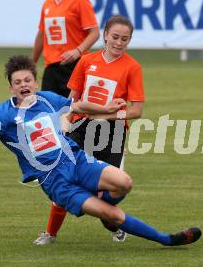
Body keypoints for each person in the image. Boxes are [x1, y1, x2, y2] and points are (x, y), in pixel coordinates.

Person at [0, 55, 201, 247]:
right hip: (55, 182)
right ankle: (167, 240)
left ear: (34, 81)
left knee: (124, 183)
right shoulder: (3, 113)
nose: (24, 85)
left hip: (76, 161)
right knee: (110, 213)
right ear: (10, 87)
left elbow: (77, 106)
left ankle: (102, 210)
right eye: (18, 82)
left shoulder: (48, 99)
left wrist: (109, 108)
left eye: (28, 80)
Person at [35, 15, 145, 245]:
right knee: (64, 180)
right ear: (105, 35)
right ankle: (50, 233)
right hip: (81, 128)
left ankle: (112, 222)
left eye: (125, 39)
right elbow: (72, 99)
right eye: (115, 37)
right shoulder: (86, 61)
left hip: (112, 134)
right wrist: (63, 129)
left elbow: (136, 111)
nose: (119, 42)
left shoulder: (132, 67)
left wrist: (107, 115)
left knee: (111, 189)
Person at [32, 0, 100, 97]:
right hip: (51, 68)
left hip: (75, 66)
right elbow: (42, 34)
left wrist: (78, 51)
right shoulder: (48, 3)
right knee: (47, 108)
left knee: (73, 108)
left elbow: (95, 32)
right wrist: (32, 63)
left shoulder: (80, 1)